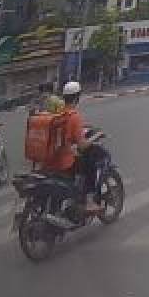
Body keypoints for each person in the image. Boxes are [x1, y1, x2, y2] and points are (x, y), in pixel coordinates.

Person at [41, 81, 102, 213]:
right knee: (91, 162)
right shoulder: (74, 116)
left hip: (50, 159)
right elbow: (82, 145)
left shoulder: (58, 114)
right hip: (64, 162)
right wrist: (95, 137)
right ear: (76, 98)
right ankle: (89, 202)